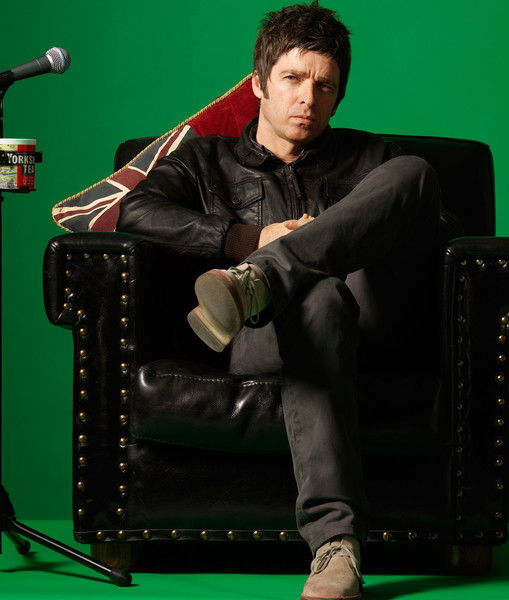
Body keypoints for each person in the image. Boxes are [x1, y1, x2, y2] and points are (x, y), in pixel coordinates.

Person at [117, 3, 447, 599]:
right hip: (256, 337)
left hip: (370, 323)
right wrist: (250, 238)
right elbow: (133, 210)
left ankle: (259, 279)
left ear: (339, 97)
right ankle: (336, 545)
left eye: (325, 86)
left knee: (415, 172)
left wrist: (300, 250)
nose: (307, 98)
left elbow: (428, 232)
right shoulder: (206, 161)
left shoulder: (373, 157)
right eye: (293, 78)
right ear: (258, 84)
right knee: (318, 299)